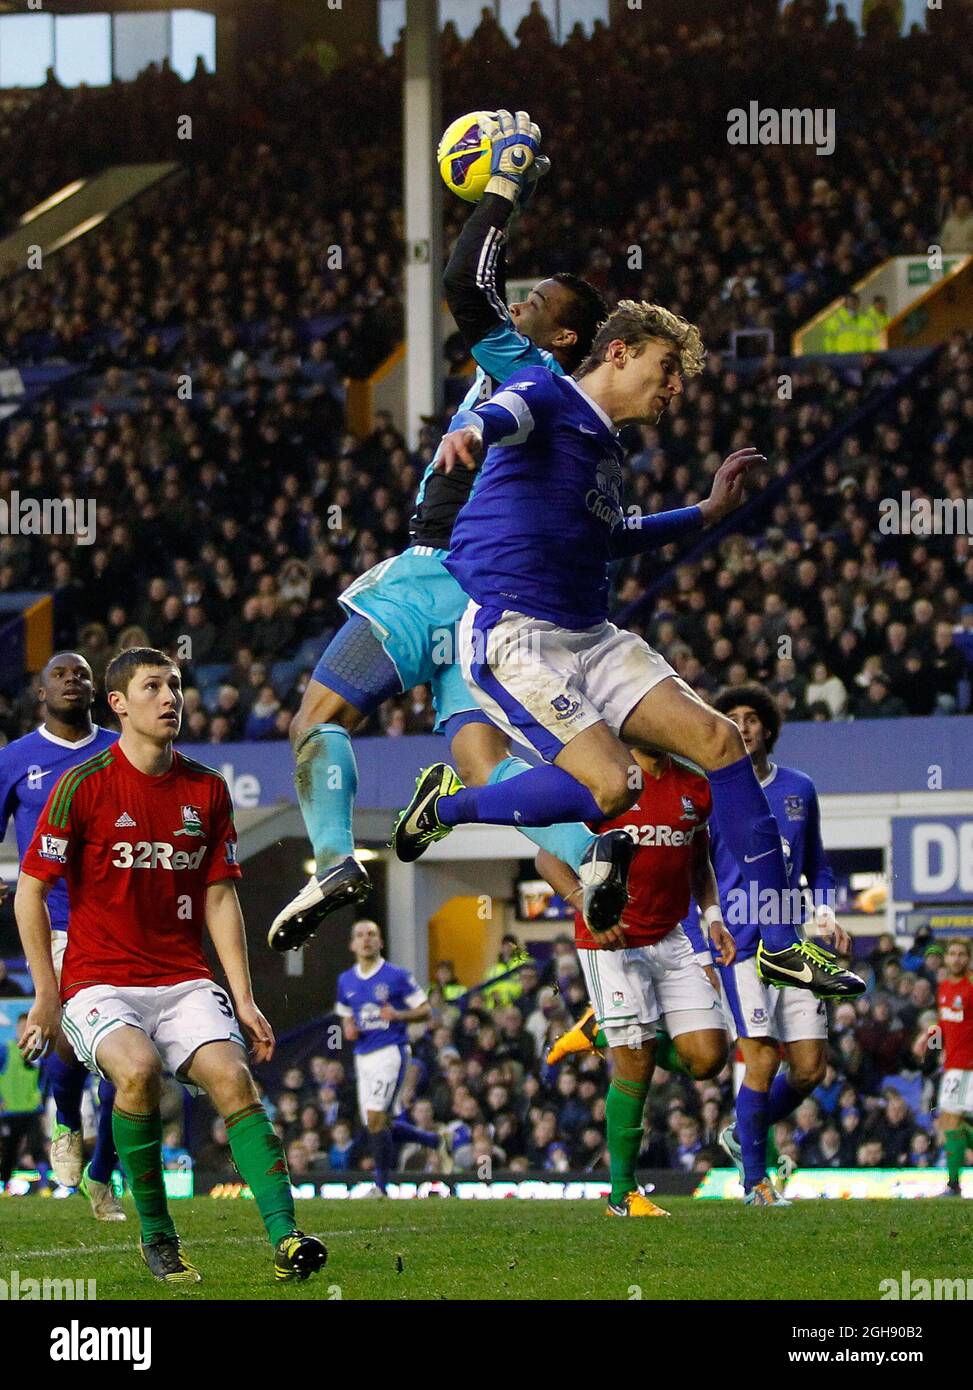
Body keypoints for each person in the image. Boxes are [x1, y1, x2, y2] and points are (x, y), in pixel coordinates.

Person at [394, 299, 865, 1001]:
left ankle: (777, 944)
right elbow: (504, 413)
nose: (675, 387)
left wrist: (703, 514)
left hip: (591, 634)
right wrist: (467, 426)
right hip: (515, 635)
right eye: (667, 367)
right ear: (618, 353)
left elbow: (612, 536)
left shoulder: (607, 450)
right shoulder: (547, 390)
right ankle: (449, 807)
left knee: (721, 739)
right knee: (614, 788)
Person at [270, 111, 605, 951]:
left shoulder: (531, 372)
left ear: (561, 337)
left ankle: (336, 858)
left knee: (314, 718)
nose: (519, 302)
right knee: (482, 763)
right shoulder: (565, 405)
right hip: (496, 608)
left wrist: (504, 189)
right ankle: (591, 857)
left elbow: (465, 281)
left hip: (439, 573)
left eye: (537, 303)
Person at [14, 646, 326, 1286]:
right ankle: (158, 1238)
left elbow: (218, 895)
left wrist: (242, 995)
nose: (171, 698)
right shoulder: (83, 785)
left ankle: (288, 1238)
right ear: (119, 705)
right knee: (138, 1072)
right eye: (153, 686)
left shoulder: (206, 789)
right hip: (98, 978)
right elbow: (30, 889)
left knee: (234, 1080)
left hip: (182, 976)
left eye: (177, 685)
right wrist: (46, 994)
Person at [536, 747, 735, 1217]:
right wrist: (585, 902)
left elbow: (698, 861)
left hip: (671, 938)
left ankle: (599, 1030)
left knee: (708, 1059)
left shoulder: (694, 785)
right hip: (611, 944)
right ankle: (622, 1195)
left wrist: (712, 917)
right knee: (636, 1067)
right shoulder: (601, 776)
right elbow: (548, 858)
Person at [707, 685, 854, 1206]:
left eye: (751, 718)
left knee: (812, 1068)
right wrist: (706, 932)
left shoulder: (799, 787)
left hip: (792, 941)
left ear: (768, 728)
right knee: (762, 1060)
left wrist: (827, 913)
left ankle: (741, 1133)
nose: (742, 726)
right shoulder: (709, 791)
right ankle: (755, 1184)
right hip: (740, 947)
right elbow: (692, 872)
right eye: (732, 719)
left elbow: (818, 864)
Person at [0, 651, 122, 1219]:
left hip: (124, 922)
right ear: (41, 693)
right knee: (73, 1044)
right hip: (55, 922)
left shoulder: (122, 748)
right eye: (60, 674)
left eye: (82, 674)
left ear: (97, 692)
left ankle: (103, 1171)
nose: (73, 679)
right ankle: (69, 1121)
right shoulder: (14, 759)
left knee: (130, 1059)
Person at [335, 919, 445, 1194]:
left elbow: (425, 1010)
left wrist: (398, 1015)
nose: (366, 939)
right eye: (360, 935)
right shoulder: (345, 980)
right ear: (352, 944)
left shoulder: (397, 975)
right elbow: (345, 1013)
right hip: (363, 1055)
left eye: (371, 934)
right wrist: (348, 1026)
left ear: (380, 941)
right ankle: (433, 1141)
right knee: (378, 1122)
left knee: (375, 1118)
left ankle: (381, 1187)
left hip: (390, 1051)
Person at [931, 938, 973, 1196]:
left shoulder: (971, 986)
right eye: (952, 954)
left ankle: (953, 1184)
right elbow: (945, 1024)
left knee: (952, 1121)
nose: (956, 958)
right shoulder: (944, 987)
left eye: (961, 954)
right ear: (946, 959)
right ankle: (953, 1183)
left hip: (967, 1066)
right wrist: (933, 1043)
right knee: (949, 1123)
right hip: (952, 1064)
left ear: (968, 959)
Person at [0, 1014, 44, 1188]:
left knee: (37, 1147)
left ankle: (45, 1187)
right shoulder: (6, 1050)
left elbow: (45, 1079)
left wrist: (42, 1096)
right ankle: (4, 1185)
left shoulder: (39, 1052)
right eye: (22, 1027)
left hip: (32, 1109)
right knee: (9, 1150)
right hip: (11, 1109)